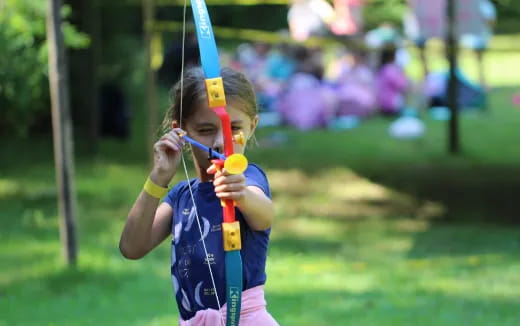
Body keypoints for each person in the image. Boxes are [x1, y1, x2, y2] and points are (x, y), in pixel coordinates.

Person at [119, 67, 278, 325]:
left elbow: (265, 216)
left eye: (233, 127)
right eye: (205, 129)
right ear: (180, 132)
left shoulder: (247, 179)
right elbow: (131, 247)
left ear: (252, 126)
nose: (218, 142)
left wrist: (242, 196)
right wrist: (159, 177)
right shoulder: (181, 196)